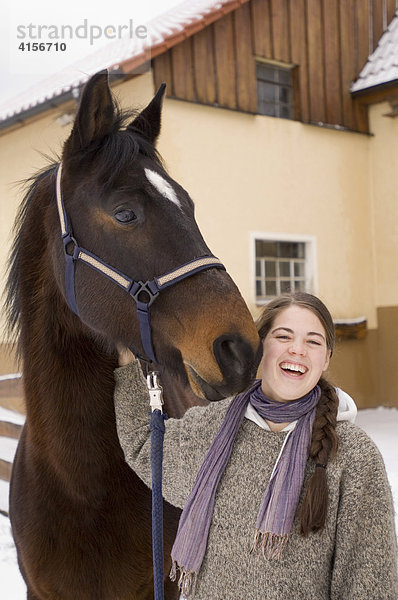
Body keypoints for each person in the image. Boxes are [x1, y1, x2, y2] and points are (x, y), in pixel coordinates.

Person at [114, 292, 398, 600]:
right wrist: (130, 360)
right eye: (283, 336)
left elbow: (370, 581)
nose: (297, 350)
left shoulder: (354, 455)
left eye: (313, 342)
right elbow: (146, 449)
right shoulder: (214, 427)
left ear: (326, 357)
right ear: (261, 345)